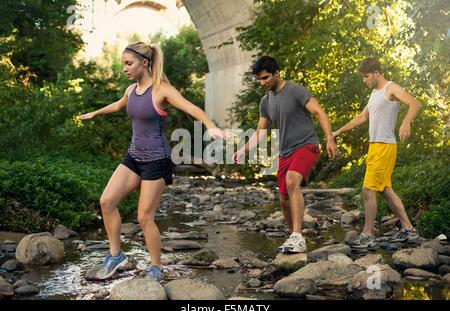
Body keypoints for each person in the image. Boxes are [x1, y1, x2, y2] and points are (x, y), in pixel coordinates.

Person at [80, 42, 226, 281]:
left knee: (144, 218)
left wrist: (211, 127)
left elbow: (192, 108)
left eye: (129, 63)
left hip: (157, 160)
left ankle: (157, 268)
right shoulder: (130, 91)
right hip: (134, 156)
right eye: (123, 64)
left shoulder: (162, 90)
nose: (125, 68)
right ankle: (116, 256)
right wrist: (96, 113)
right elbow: (118, 105)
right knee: (106, 201)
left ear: (144, 63)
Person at [234, 56, 339, 254]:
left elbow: (319, 112)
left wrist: (330, 139)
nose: (262, 82)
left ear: (276, 73)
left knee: (292, 182)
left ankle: (298, 236)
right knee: (284, 200)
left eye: (265, 78)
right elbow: (260, 132)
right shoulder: (265, 102)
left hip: (306, 145)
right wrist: (243, 150)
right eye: (259, 79)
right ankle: (294, 238)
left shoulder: (295, 90)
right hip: (285, 152)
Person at [333, 57, 421, 249]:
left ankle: (367, 234)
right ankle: (408, 229)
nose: (364, 80)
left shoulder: (391, 88)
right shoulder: (374, 94)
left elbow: (415, 103)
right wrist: (339, 131)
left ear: (376, 73)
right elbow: (362, 117)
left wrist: (406, 123)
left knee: (368, 189)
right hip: (375, 146)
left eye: (366, 77)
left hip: (385, 145)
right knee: (385, 189)